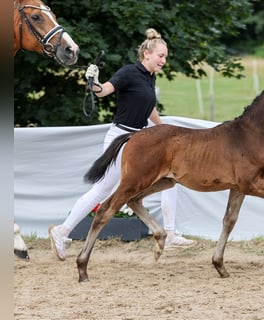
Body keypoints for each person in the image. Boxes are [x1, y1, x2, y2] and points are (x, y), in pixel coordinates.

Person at [49, 28, 195, 261]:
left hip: (142, 140)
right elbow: (103, 91)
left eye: (165, 57)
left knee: (171, 178)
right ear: (146, 54)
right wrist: (93, 81)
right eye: (161, 56)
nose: (164, 61)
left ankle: (170, 233)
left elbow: (148, 107)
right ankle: (62, 230)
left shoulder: (149, 77)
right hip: (121, 139)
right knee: (103, 189)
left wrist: (163, 128)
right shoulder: (128, 72)